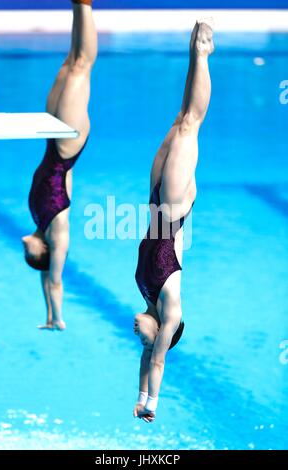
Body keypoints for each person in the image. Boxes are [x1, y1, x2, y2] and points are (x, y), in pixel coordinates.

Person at [134, 19, 214, 422]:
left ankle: (193, 55)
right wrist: (150, 405)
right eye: (149, 341)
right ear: (164, 332)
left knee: (176, 120)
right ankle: (202, 53)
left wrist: (136, 393)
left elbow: (146, 361)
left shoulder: (147, 294)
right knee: (190, 125)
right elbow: (158, 362)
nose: (140, 340)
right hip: (174, 210)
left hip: (156, 203)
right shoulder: (171, 309)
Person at [22, 0, 97, 330]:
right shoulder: (58, 232)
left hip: (53, 139)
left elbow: (42, 279)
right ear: (43, 251)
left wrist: (46, 315)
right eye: (30, 255)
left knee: (69, 63)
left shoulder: (39, 220)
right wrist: (57, 318)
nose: (24, 248)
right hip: (67, 145)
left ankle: (76, 5)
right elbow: (53, 280)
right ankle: (85, 6)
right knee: (82, 65)